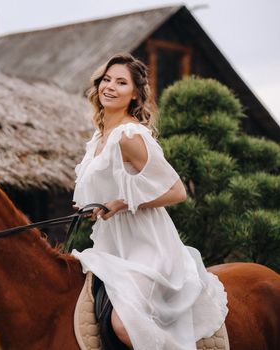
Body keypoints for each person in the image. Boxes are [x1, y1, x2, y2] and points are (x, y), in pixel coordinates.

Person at [71, 53, 228, 350]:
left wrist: (122, 203)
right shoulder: (98, 138)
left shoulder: (129, 136)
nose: (110, 87)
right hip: (113, 246)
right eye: (106, 80)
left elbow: (177, 191)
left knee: (122, 324)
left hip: (148, 247)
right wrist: (95, 207)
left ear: (134, 94)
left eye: (121, 82)